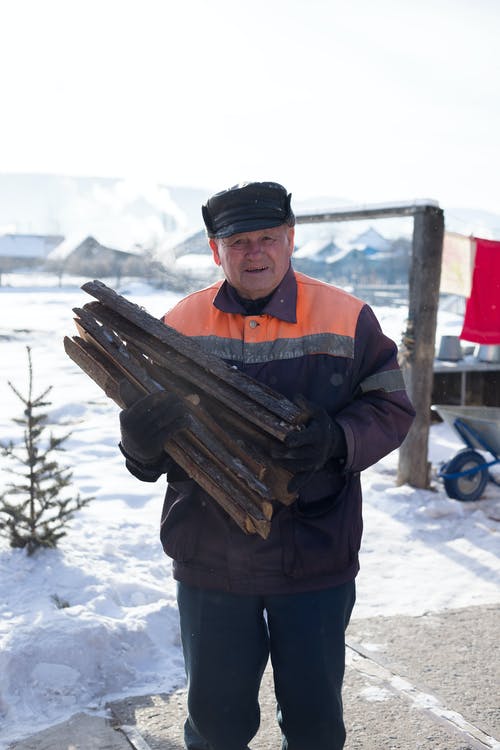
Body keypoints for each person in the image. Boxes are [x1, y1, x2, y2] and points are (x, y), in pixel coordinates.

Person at [119, 181, 415, 750]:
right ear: (215, 250)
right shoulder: (177, 324)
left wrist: (337, 437)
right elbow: (151, 444)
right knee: (215, 726)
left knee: (314, 725)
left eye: (267, 238)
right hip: (211, 562)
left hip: (315, 559)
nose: (255, 253)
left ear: (290, 239)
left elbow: (391, 408)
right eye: (238, 243)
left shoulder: (348, 316)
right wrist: (137, 443)